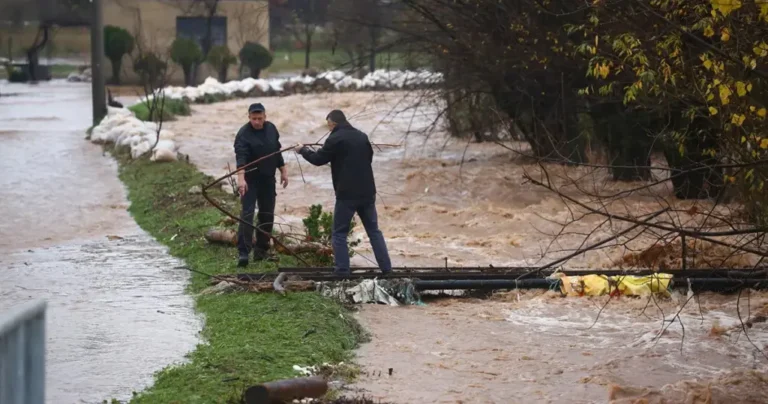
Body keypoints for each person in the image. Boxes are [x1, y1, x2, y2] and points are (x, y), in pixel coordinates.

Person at [297, 110, 392, 275]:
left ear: (333, 123)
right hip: (368, 192)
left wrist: (302, 150)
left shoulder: (334, 138)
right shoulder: (362, 136)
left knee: (339, 233)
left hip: (347, 194)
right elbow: (368, 157)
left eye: (329, 126)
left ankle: (342, 271)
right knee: (374, 231)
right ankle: (387, 269)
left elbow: (318, 159)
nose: (329, 129)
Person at [234, 102, 289, 267]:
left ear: (265, 116)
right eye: (254, 119)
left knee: (267, 214)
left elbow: (277, 151)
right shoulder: (243, 134)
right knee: (248, 214)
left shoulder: (271, 129)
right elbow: (241, 158)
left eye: (260, 118)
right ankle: (243, 252)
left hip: (268, 178)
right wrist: (241, 179)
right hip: (250, 179)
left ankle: (261, 250)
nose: (257, 122)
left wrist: (283, 170)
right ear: (249, 117)